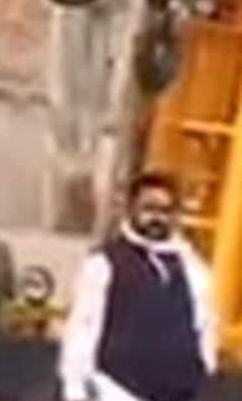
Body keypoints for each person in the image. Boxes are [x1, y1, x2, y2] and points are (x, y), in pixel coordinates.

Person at [59, 172, 217, 401]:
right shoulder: (104, 264)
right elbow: (82, 327)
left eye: (165, 211)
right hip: (115, 389)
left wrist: (203, 368)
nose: (157, 218)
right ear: (130, 209)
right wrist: (75, 388)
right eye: (148, 209)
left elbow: (205, 326)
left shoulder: (193, 269)